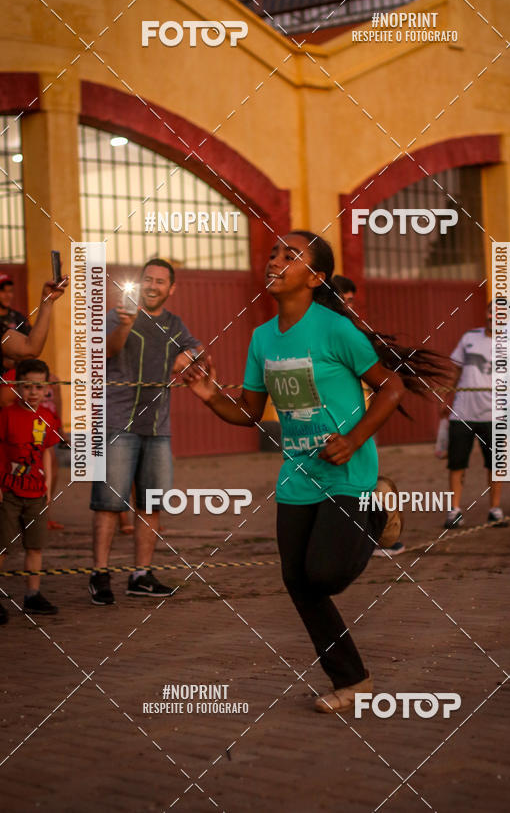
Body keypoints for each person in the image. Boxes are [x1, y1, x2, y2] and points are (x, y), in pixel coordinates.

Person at [184, 231, 448, 713]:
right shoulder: (262, 338)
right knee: (298, 582)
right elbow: (248, 411)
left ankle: (377, 513)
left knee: (323, 575)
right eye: (272, 254)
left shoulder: (335, 330)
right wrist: (206, 395)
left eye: (290, 256)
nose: (274, 262)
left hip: (348, 472)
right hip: (297, 477)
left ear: (315, 277)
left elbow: (390, 389)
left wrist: (353, 440)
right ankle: (352, 680)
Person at [88, 258, 203, 605]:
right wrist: (124, 325)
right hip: (117, 425)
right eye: (147, 280)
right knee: (108, 504)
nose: (153, 286)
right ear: (139, 284)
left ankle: (141, 575)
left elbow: (198, 349)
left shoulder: (174, 323)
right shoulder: (116, 314)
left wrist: (188, 357)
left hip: (157, 428)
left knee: (152, 504)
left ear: (171, 288)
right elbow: (108, 351)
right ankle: (100, 575)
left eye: (160, 281)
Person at [0, 359, 61, 624]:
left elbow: (47, 451)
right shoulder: (6, 415)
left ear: (46, 388)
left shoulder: (47, 418)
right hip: (8, 491)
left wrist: (47, 485)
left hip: (36, 493)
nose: (33, 392)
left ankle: (32, 595)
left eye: (38, 386)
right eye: (27, 387)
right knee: (2, 546)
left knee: (35, 546)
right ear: (17, 387)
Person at [441, 303, 504, 528]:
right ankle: (454, 510)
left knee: (496, 464)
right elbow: (456, 369)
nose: (493, 317)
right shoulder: (469, 337)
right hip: (462, 413)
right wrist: (446, 398)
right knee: (457, 464)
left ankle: (495, 510)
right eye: (490, 312)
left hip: (494, 415)